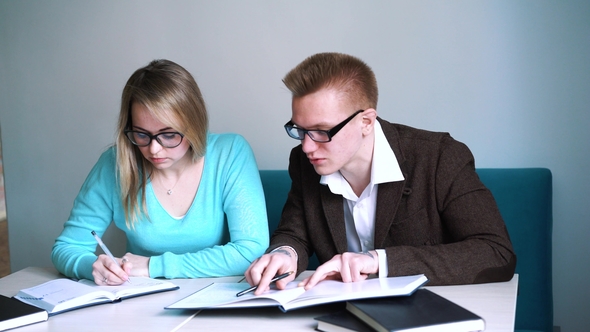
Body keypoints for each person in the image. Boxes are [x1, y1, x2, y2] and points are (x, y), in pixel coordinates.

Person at [245, 52, 516, 294]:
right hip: (342, 314)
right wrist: (284, 252)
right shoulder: (304, 163)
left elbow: (496, 252)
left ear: (366, 121)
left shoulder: (439, 156)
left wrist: (378, 261)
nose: (306, 146)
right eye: (300, 130)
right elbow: (294, 233)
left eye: (321, 131)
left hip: (430, 312)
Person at [52, 59, 269, 285]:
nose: (153, 149)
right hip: (140, 302)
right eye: (141, 134)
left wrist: (152, 266)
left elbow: (249, 251)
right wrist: (91, 266)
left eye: (168, 135)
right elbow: (67, 247)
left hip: (214, 300)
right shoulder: (114, 164)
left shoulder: (229, 152)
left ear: (194, 124)